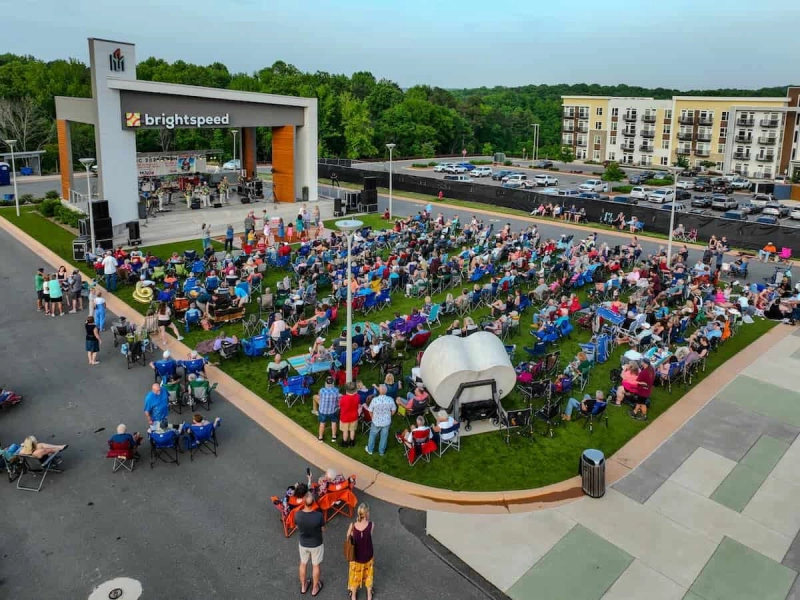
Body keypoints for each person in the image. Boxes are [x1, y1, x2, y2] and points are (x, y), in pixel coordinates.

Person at [295, 492, 325, 596]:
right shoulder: (319, 516)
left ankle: (303, 586)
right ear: (313, 503)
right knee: (315, 565)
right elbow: (323, 529)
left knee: (303, 563)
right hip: (316, 543)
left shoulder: (297, 515)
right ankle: (314, 588)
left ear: (304, 502)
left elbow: (297, 527)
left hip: (303, 544)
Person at [347, 503, 375, 600]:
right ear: (367, 514)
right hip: (368, 555)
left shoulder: (353, 526)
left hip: (356, 557)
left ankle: (354, 595)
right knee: (369, 576)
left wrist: (351, 533)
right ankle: (369, 595)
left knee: (355, 577)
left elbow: (348, 537)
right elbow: (369, 535)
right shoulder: (371, 525)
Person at [364, 384, 396, 457]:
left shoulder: (374, 400)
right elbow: (393, 410)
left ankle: (370, 450)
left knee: (372, 435)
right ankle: (381, 452)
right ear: (386, 391)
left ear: (379, 390)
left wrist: (372, 417)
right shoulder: (390, 399)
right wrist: (388, 416)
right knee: (384, 436)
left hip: (376, 421)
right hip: (386, 422)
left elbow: (370, 410)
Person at [314, 377, 340, 443]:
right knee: (334, 422)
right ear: (333, 383)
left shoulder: (321, 390)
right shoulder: (336, 390)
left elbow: (320, 397)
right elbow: (338, 399)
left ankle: (320, 438)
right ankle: (334, 437)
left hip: (323, 411)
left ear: (325, 383)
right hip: (333, 410)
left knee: (322, 423)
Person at [339, 382, 360, 448]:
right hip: (354, 416)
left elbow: (340, 405)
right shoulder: (357, 397)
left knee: (345, 431)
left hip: (345, 417)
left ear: (346, 390)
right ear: (355, 389)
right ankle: (352, 442)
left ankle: (344, 443)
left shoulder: (343, 398)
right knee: (352, 430)